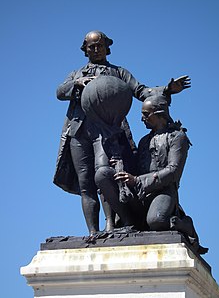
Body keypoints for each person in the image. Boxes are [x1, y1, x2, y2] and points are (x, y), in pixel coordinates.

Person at [54, 30, 190, 235]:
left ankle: (111, 225)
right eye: (91, 46)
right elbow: (59, 92)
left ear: (107, 47)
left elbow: (141, 91)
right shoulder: (77, 74)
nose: (96, 49)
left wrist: (167, 89)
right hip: (79, 131)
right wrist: (76, 84)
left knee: (105, 175)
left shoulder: (119, 73)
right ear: (85, 49)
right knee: (86, 184)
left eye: (99, 45)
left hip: (108, 131)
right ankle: (93, 232)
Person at [114, 88, 208, 254]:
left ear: (159, 114)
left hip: (164, 190)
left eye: (146, 114)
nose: (142, 118)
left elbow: (173, 171)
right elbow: (136, 167)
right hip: (141, 192)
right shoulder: (144, 141)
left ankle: (185, 224)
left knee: (157, 221)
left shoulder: (178, 137)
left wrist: (137, 180)